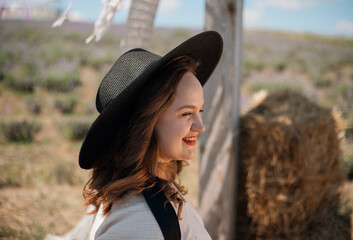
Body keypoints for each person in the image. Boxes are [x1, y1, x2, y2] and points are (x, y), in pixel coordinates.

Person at [48, 31, 223, 240]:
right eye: (186, 113)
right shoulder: (141, 225)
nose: (200, 126)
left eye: (199, 111)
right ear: (146, 124)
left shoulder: (149, 190)